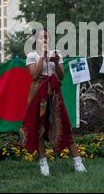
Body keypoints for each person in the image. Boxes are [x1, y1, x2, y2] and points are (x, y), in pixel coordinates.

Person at [19, 28, 86, 176]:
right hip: (38, 93)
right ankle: (43, 164)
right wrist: (42, 57)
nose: (45, 40)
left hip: (54, 93)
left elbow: (61, 76)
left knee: (63, 124)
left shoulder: (56, 53)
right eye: (42, 38)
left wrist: (55, 63)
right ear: (36, 40)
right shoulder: (31, 55)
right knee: (39, 128)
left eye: (47, 38)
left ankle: (78, 162)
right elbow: (34, 75)